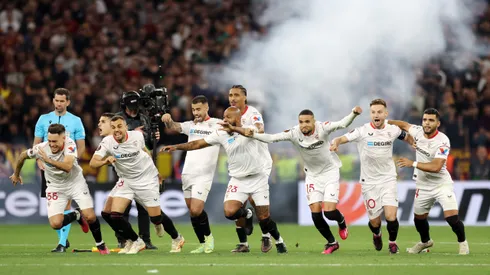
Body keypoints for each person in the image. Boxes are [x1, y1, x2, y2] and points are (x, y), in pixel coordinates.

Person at [161, 107, 288, 254]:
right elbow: (197, 144)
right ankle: (247, 214)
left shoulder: (249, 128)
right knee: (229, 212)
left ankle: (279, 240)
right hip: (237, 180)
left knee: (265, 218)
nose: (225, 120)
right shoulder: (221, 133)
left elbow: (249, 132)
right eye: (224, 117)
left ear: (238, 118)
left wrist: (234, 128)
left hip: (257, 178)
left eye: (228, 117)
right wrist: (176, 147)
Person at [243, 107, 362, 254]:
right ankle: (332, 243)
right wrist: (253, 135)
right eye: (301, 122)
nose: (304, 125)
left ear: (314, 121)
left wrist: (354, 114)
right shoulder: (294, 133)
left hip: (330, 172)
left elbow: (342, 124)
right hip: (312, 176)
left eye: (307, 122)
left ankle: (341, 222)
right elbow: (272, 138)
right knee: (316, 214)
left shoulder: (323, 128)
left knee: (329, 212)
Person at [90, 115, 184, 254]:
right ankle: (135, 240)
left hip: (146, 179)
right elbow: (93, 163)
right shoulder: (107, 142)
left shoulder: (137, 137)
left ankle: (177, 238)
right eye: (114, 127)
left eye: (120, 126)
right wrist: (105, 161)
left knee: (156, 217)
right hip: (126, 180)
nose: (117, 130)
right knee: (112, 214)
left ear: (126, 127)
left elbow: (145, 152)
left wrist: (156, 172)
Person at [330, 99, 413, 254]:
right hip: (369, 182)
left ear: (385, 114)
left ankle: (392, 243)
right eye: (373, 112)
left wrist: (414, 144)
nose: (376, 115)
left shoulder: (392, 129)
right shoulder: (362, 131)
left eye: (380, 112)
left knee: (391, 216)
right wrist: (336, 143)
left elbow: (406, 136)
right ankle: (377, 234)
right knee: (374, 222)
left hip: (388, 178)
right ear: (370, 114)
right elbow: (341, 138)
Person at [10, 124, 109, 254]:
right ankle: (77, 215)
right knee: (55, 223)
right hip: (55, 187)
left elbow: (67, 166)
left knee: (90, 216)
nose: (52, 144)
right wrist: (16, 174)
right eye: (50, 141)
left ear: (64, 138)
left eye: (55, 141)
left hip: (75, 182)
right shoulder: (41, 148)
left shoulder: (70, 144)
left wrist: (47, 160)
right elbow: (23, 155)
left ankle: (100, 245)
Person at [388, 108, 469, 255]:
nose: (427, 123)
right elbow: (404, 125)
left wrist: (412, 163)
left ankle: (463, 243)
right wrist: (386, 122)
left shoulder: (443, 141)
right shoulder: (418, 131)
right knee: (419, 219)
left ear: (438, 123)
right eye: (425, 120)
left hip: (441, 184)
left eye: (431, 120)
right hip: (423, 185)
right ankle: (425, 242)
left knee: (451, 217)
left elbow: (437, 167)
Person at [161, 95, 220, 254]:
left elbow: (196, 144)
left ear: (207, 107)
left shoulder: (217, 124)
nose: (196, 112)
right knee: (192, 212)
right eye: (193, 109)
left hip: (204, 174)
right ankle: (202, 243)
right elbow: (175, 126)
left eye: (199, 109)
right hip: (187, 174)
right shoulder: (191, 125)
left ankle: (209, 238)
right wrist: (168, 119)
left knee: (196, 209)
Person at [33, 88, 86, 252]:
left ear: (68, 102)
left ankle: (62, 243)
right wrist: (38, 161)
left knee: (64, 206)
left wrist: (72, 162)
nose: (59, 103)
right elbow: (37, 144)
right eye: (56, 100)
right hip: (48, 169)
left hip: (67, 169)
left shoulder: (76, 121)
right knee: (53, 208)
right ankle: (67, 232)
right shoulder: (43, 119)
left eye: (62, 101)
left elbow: (81, 146)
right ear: (53, 100)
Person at [227, 85, 271, 253]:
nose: (233, 98)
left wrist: (250, 130)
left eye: (236, 95)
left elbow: (260, 129)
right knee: (239, 203)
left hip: (259, 163)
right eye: (231, 95)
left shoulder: (253, 114)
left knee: (257, 202)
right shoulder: (229, 114)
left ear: (245, 97)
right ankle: (243, 243)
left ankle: (266, 236)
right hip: (240, 165)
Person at [115, 90, 159, 249]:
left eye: (135, 106)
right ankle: (124, 239)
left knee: (144, 206)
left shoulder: (144, 117)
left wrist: (154, 136)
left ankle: (145, 240)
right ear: (124, 105)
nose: (134, 109)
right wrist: (134, 133)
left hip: (143, 166)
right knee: (123, 206)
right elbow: (114, 137)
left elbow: (147, 138)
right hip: (125, 166)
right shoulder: (118, 119)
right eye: (130, 106)